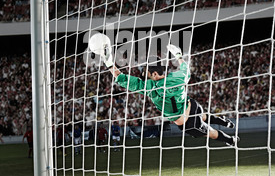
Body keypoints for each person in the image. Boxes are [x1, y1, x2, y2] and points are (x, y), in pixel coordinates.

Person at [99, 41, 239, 146]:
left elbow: (123, 79)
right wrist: (178, 55)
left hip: (188, 122)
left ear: (154, 74)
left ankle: (231, 140)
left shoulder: (150, 87)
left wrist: (109, 63)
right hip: (193, 105)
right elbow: (186, 70)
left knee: (211, 133)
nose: (145, 74)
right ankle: (223, 122)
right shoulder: (176, 77)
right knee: (203, 115)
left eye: (147, 72)